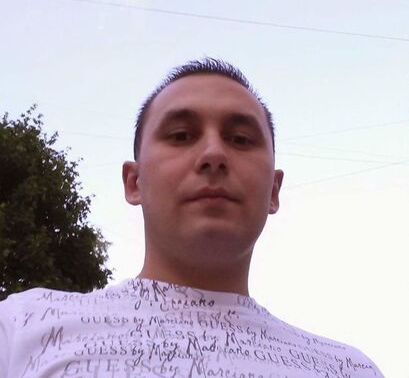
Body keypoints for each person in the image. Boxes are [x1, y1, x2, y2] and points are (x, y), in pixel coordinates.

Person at [0, 58, 384, 378]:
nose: (213, 154)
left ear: (273, 190)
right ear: (135, 182)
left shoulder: (349, 369)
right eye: (181, 135)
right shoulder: (19, 327)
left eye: (240, 139)